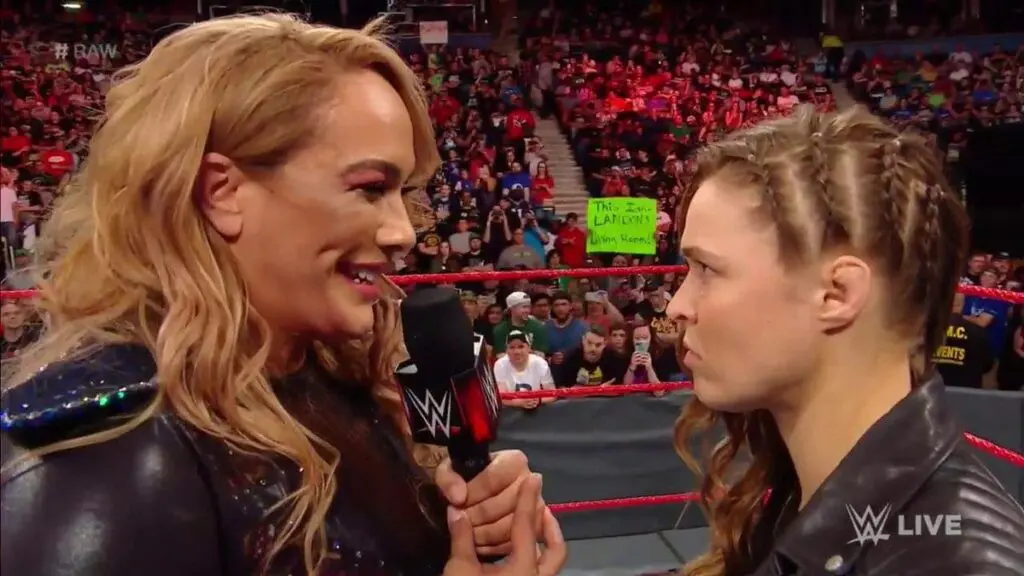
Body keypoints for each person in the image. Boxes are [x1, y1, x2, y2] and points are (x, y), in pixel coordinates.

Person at [0, 15, 564, 576]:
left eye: (403, 191)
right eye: (370, 188)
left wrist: (460, 516)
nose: (404, 232)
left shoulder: (338, 370)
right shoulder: (107, 450)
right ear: (222, 192)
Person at [668, 106, 1024, 575]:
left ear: (837, 294)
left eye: (707, 269)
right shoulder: (805, 488)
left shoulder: (955, 563)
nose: (677, 306)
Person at [933, 293, 994, 388]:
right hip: (967, 389)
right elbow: (987, 364)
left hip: (934, 388)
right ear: (962, 304)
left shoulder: (930, 330)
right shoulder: (977, 332)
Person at [493, 330, 555, 410]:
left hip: (536, 409)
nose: (517, 352)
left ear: (529, 348)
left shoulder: (540, 363)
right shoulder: (500, 365)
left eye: (521, 347)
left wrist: (538, 400)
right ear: (506, 350)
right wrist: (519, 403)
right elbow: (501, 397)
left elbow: (552, 394)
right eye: (512, 347)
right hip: (510, 410)